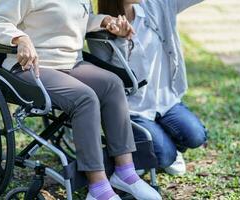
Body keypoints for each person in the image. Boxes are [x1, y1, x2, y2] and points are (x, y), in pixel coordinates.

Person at [0, 0, 162, 199]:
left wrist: (105, 21)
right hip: (30, 67)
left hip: (71, 63)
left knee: (112, 84)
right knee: (84, 98)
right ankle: (98, 188)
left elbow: (77, 22)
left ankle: (125, 172)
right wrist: (20, 38)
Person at [89, 0, 207, 176]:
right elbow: (111, 77)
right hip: (133, 109)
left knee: (196, 136)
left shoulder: (158, 6)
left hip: (165, 102)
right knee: (165, 156)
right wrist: (121, 40)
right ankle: (156, 148)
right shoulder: (99, 29)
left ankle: (162, 140)